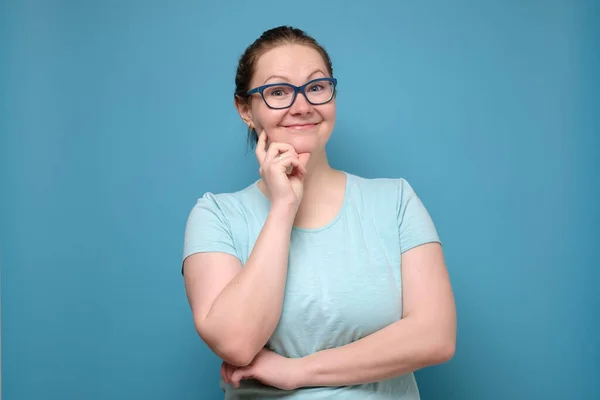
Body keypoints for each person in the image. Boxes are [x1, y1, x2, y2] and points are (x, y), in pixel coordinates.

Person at [182, 25, 456, 399]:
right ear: (246, 109)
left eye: (315, 87)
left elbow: (435, 336)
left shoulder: (396, 201)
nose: (302, 105)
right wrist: (283, 207)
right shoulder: (215, 215)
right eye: (278, 92)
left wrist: (297, 372)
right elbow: (237, 342)